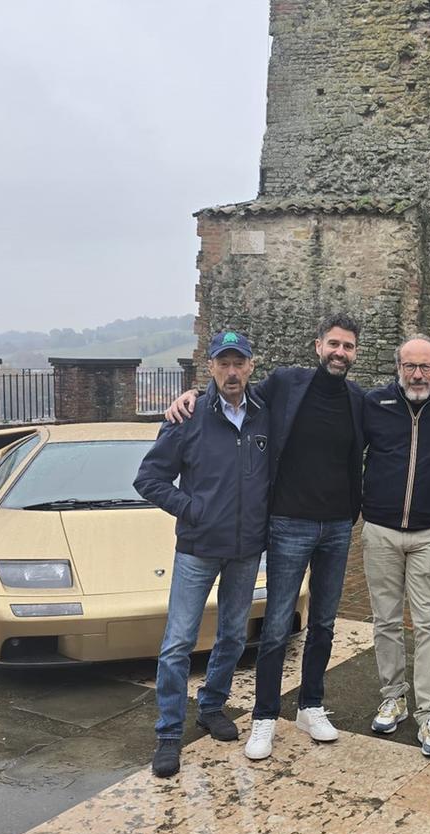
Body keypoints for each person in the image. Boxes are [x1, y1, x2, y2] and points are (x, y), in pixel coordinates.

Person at [166, 313, 365, 760]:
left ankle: (312, 705)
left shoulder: (356, 398)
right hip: (288, 524)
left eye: (348, 346)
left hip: (336, 527)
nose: (339, 352)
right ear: (318, 346)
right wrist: (194, 395)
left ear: (355, 353)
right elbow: (233, 393)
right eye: (333, 343)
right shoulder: (287, 384)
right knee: (275, 628)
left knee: (324, 624)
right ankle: (265, 716)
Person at [135, 329, 270, 779]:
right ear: (210, 367)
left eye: (239, 363)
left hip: (246, 549)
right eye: (223, 363)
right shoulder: (186, 418)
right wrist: (191, 509)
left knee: (233, 635)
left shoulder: (264, 415)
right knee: (177, 643)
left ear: (251, 366)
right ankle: (168, 733)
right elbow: (149, 479)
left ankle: (211, 706)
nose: (232, 372)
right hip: (197, 548)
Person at [360, 335, 430, 757]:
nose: (418, 374)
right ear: (398, 368)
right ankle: (393, 695)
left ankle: (428, 710)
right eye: (410, 366)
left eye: (426, 367)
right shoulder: (375, 404)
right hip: (380, 532)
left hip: (427, 533)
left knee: (428, 624)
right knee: (385, 620)